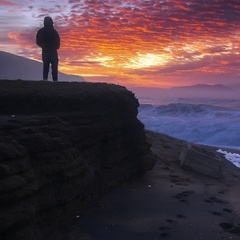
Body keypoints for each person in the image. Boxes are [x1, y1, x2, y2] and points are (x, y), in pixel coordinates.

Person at [36, 16, 60, 81]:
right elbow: (58, 42)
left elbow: (38, 41)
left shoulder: (40, 31)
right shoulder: (54, 32)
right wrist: (55, 47)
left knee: (46, 67)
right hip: (53, 52)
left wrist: (43, 46)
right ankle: (54, 81)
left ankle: (45, 80)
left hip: (46, 51)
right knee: (54, 68)